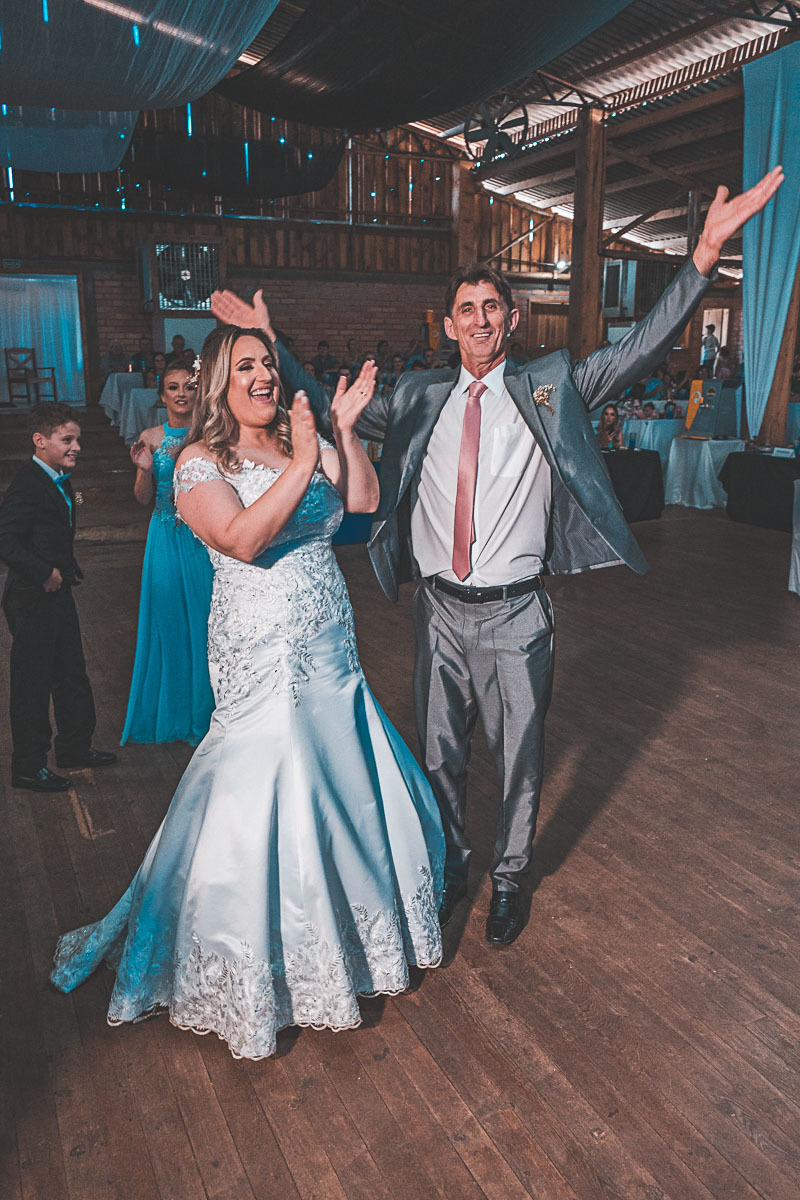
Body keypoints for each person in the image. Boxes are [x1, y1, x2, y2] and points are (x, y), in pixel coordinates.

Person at [213, 165, 783, 948]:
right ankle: (452, 864)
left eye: (491, 308)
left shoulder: (553, 386)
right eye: (466, 310)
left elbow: (640, 348)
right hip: (439, 611)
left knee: (519, 756)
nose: (479, 320)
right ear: (448, 326)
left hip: (517, 613)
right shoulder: (418, 397)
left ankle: (510, 879)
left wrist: (702, 259)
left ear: (510, 320)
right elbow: (326, 397)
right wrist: (271, 344)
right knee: (440, 752)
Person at [50, 329, 444, 1060]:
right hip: (262, 650)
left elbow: (362, 501)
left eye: (268, 362)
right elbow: (240, 539)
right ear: (217, 383)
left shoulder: (298, 441)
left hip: (330, 647)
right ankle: (262, 961)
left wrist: (343, 433)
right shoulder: (199, 461)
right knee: (269, 781)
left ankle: (351, 937)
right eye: (247, 365)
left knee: (338, 779)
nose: (264, 375)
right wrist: (306, 459)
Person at [0, 403, 117, 792]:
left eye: (77, 439)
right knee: (32, 684)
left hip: (57, 590)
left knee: (71, 673)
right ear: (40, 440)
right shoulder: (27, 484)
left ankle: (74, 747)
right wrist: (43, 572)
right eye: (67, 440)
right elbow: (6, 540)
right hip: (31, 597)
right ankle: (28, 767)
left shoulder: (59, 478)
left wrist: (65, 569)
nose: (76, 447)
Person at [122, 367, 214, 746]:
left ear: (198, 392)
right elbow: (142, 499)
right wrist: (145, 470)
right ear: (161, 396)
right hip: (163, 533)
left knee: (206, 619)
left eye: (189, 387)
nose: (181, 393)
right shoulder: (150, 437)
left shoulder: (211, 435)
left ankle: (207, 710)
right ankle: (174, 710)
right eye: (173, 388)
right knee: (168, 618)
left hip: (202, 535)